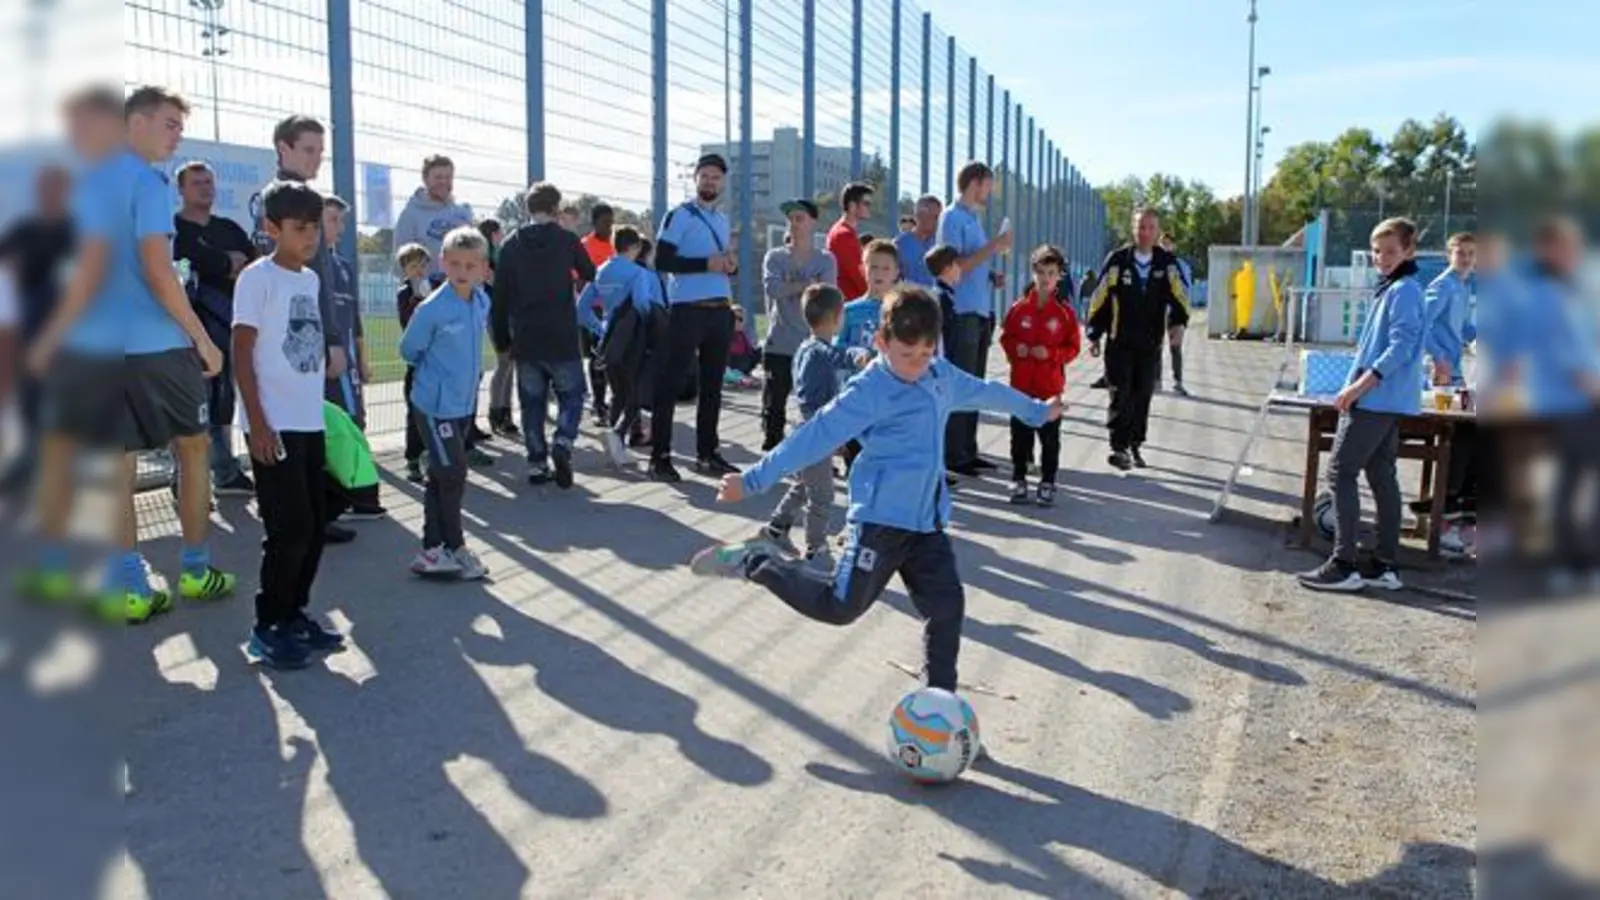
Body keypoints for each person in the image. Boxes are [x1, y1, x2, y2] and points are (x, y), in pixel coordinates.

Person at [688, 285, 1063, 698]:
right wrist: (754, 480)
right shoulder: (870, 390)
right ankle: (757, 561)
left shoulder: (939, 375)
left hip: (927, 526)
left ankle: (939, 708)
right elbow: (814, 435)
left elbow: (984, 390)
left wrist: (1036, 410)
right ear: (881, 342)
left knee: (947, 609)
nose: (917, 364)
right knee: (839, 607)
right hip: (880, 522)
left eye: (926, 352)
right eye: (906, 354)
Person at [24, 86, 234, 623]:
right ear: (134, 122)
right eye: (169, 123)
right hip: (157, 346)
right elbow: (161, 273)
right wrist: (203, 338)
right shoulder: (145, 182)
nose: (177, 134)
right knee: (192, 450)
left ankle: (130, 584)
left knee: (118, 463)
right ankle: (194, 569)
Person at [232, 179, 347, 668]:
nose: (310, 237)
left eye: (315, 228)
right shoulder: (258, 279)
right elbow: (241, 352)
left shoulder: (310, 279)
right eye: (299, 229)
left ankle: (295, 613)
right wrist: (258, 423)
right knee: (289, 527)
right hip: (272, 424)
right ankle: (267, 625)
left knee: (316, 522)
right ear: (271, 228)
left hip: (307, 421)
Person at [1297, 217, 1425, 593]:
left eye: (1390, 251)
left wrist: (1359, 386)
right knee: (1381, 474)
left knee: (1340, 471)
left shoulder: (1404, 290)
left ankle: (1344, 562)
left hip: (1376, 399)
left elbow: (1400, 346)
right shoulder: (1394, 288)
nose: (1381, 258)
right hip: (1386, 400)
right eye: (1376, 251)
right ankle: (1386, 564)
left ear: (1408, 251)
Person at [252, 114, 355, 543]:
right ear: (284, 148)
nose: (317, 158)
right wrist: (330, 340)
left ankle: (310, 515)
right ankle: (287, 521)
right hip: (295, 341)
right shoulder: (276, 201)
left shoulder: (308, 199)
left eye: (320, 150)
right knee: (293, 432)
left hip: (311, 338)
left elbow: (322, 283)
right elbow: (291, 283)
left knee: (315, 433)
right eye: (309, 149)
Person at [400, 226, 495, 581]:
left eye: (470, 265)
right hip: (435, 405)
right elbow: (409, 350)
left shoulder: (481, 300)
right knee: (454, 473)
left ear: (483, 268)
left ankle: (432, 551)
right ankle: (456, 547)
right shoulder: (433, 308)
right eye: (455, 263)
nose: (462, 272)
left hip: (463, 404)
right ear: (443, 262)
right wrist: (436, 376)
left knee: (442, 476)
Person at [754, 284, 868, 569]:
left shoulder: (805, 347)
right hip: (816, 432)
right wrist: (860, 355)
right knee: (823, 496)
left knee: (805, 484)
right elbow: (840, 357)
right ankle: (816, 550)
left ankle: (775, 529)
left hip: (811, 429)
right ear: (836, 317)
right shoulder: (820, 349)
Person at [491, 181, 596, 488]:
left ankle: (537, 462)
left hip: (526, 336)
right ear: (556, 208)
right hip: (561, 333)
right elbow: (589, 271)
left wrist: (502, 339)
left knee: (532, 403)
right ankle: (562, 441)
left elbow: (500, 297)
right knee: (572, 396)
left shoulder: (511, 244)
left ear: (528, 209)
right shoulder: (566, 240)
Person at [650, 153, 740, 482]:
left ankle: (707, 453)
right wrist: (707, 264)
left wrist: (730, 265)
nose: (710, 182)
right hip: (688, 310)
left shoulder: (721, 219)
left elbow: (721, 261)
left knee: (713, 388)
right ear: (695, 178)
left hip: (719, 310)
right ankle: (660, 456)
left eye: (716, 177)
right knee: (671, 383)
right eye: (705, 176)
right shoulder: (679, 215)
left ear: (723, 183)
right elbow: (662, 259)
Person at [172, 159, 257, 496]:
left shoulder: (228, 228)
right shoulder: (173, 230)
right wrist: (224, 262)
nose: (205, 188)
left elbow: (251, 263)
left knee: (224, 398)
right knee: (192, 403)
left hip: (228, 326)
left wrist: (216, 264)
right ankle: (183, 479)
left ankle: (225, 472)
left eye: (208, 182)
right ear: (180, 189)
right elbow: (181, 266)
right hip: (189, 329)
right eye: (196, 183)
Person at [1085, 207, 1190, 471]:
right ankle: (1118, 448)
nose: (1145, 232)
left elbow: (1181, 296)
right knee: (1120, 394)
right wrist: (1094, 333)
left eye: (1150, 227)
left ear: (1157, 231)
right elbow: (1099, 297)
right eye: (1140, 227)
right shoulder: (1118, 260)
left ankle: (1135, 444)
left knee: (1142, 395)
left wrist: (1178, 323)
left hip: (1150, 344)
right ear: (1133, 229)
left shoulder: (1166, 263)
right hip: (1119, 341)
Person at [0, 165, 73, 493]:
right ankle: (31, 465)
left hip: (71, 327)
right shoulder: (24, 229)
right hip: (29, 324)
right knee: (31, 399)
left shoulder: (79, 230)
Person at [938, 161, 1014, 476]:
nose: (990, 191)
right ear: (975, 182)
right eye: (988, 184)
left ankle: (967, 450)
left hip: (980, 310)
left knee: (974, 384)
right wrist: (995, 246)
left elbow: (973, 264)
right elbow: (953, 267)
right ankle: (954, 454)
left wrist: (990, 274)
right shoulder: (952, 217)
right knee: (960, 383)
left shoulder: (972, 218)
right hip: (961, 311)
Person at [999, 245, 1081, 506]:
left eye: (1051, 272)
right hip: (1021, 387)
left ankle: (1047, 482)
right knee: (1019, 437)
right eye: (1041, 272)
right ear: (1033, 273)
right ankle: (1019, 478)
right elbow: (1005, 337)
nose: (1045, 278)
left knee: (1049, 439)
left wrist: (1052, 354)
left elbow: (1073, 348)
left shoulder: (1065, 314)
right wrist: (1016, 349)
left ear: (1059, 276)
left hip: (1049, 388)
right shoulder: (1019, 308)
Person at [576, 225, 659, 467]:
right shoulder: (637, 273)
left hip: (608, 339)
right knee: (634, 394)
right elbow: (643, 304)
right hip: (633, 339)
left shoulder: (600, 271)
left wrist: (600, 327)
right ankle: (619, 435)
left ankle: (617, 447)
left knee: (618, 392)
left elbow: (581, 310)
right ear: (634, 248)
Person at [1415, 232, 1478, 548]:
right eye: (1460, 252)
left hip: (1456, 372)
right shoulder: (1442, 285)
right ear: (1448, 254)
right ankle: (1445, 515)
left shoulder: (1464, 287)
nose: (1466, 258)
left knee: (1475, 431)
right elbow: (1421, 325)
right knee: (1461, 434)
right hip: (1440, 374)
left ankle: (1462, 513)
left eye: (1471, 253)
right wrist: (1437, 358)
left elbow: (1463, 328)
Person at [760, 198, 837, 450]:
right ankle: (772, 458)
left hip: (812, 344)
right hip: (779, 343)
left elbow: (824, 295)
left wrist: (791, 287)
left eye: (800, 218)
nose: (794, 223)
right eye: (790, 218)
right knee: (774, 407)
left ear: (813, 222)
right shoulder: (775, 257)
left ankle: (815, 457)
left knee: (814, 407)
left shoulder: (825, 260)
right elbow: (773, 289)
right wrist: (805, 284)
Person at [320, 194, 369, 429]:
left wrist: (362, 360)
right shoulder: (306, 266)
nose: (340, 226)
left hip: (347, 366)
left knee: (354, 422)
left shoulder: (344, 267)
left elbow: (354, 319)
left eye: (342, 220)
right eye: (333, 219)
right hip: (319, 365)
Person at [391, 154, 474, 280]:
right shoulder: (411, 215)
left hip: (459, 292)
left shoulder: (461, 213)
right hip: (424, 294)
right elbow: (400, 263)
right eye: (438, 177)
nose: (444, 182)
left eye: (448, 177)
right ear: (425, 179)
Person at [479, 218, 520, 439]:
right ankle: (496, 411)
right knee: (504, 362)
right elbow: (497, 284)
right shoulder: (486, 258)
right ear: (493, 234)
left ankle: (506, 412)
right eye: (499, 233)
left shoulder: (500, 257)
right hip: (496, 316)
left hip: (508, 313)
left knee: (510, 364)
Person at [396, 243, 432, 483]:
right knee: (414, 412)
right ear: (404, 270)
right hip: (416, 362)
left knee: (432, 411)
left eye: (421, 265)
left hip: (434, 363)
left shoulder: (435, 290)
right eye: (412, 266)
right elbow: (407, 321)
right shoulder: (405, 293)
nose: (418, 270)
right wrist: (418, 299)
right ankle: (412, 458)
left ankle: (432, 455)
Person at [580, 203, 618, 424]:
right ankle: (598, 403)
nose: (609, 227)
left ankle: (613, 401)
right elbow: (579, 280)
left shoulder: (614, 246)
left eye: (612, 222)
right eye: (605, 222)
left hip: (613, 309)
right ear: (594, 222)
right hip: (594, 309)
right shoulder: (585, 246)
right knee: (596, 356)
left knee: (613, 356)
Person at [837, 239, 903, 356]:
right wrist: (856, 354)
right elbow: (837, 349)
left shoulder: (904, 311)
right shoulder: (848, 311)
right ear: (862, 270)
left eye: (886, 268)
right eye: (874, 267)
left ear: (896, 272)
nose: (879, 273)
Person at [1158, 233, 1194, 397]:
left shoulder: (1181, 265)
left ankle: (1178, 381)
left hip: (1176, 310)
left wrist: (1185, 314)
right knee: (1155, 347)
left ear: (1173, 246)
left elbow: (1187, 290)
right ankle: (1155, 381)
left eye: (1168, 244)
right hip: (1156, 310)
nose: (1165, 247)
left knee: (1175, 346)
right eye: (1162, 244)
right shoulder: (1153, 263)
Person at [827, 182, 873, 301]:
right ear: (852, 206)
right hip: (850, 304)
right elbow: (858, 275)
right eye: (866, 203)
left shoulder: (843, 232)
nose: (869, 208)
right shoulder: (844, 235)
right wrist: (875, 295)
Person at [893, 194, 942, 288]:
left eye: (940, 218)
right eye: (935, 217)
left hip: (935, 300)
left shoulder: (941, 245)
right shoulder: (899, 245)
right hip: (909, 299)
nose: (938, 221)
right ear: (920, 215)